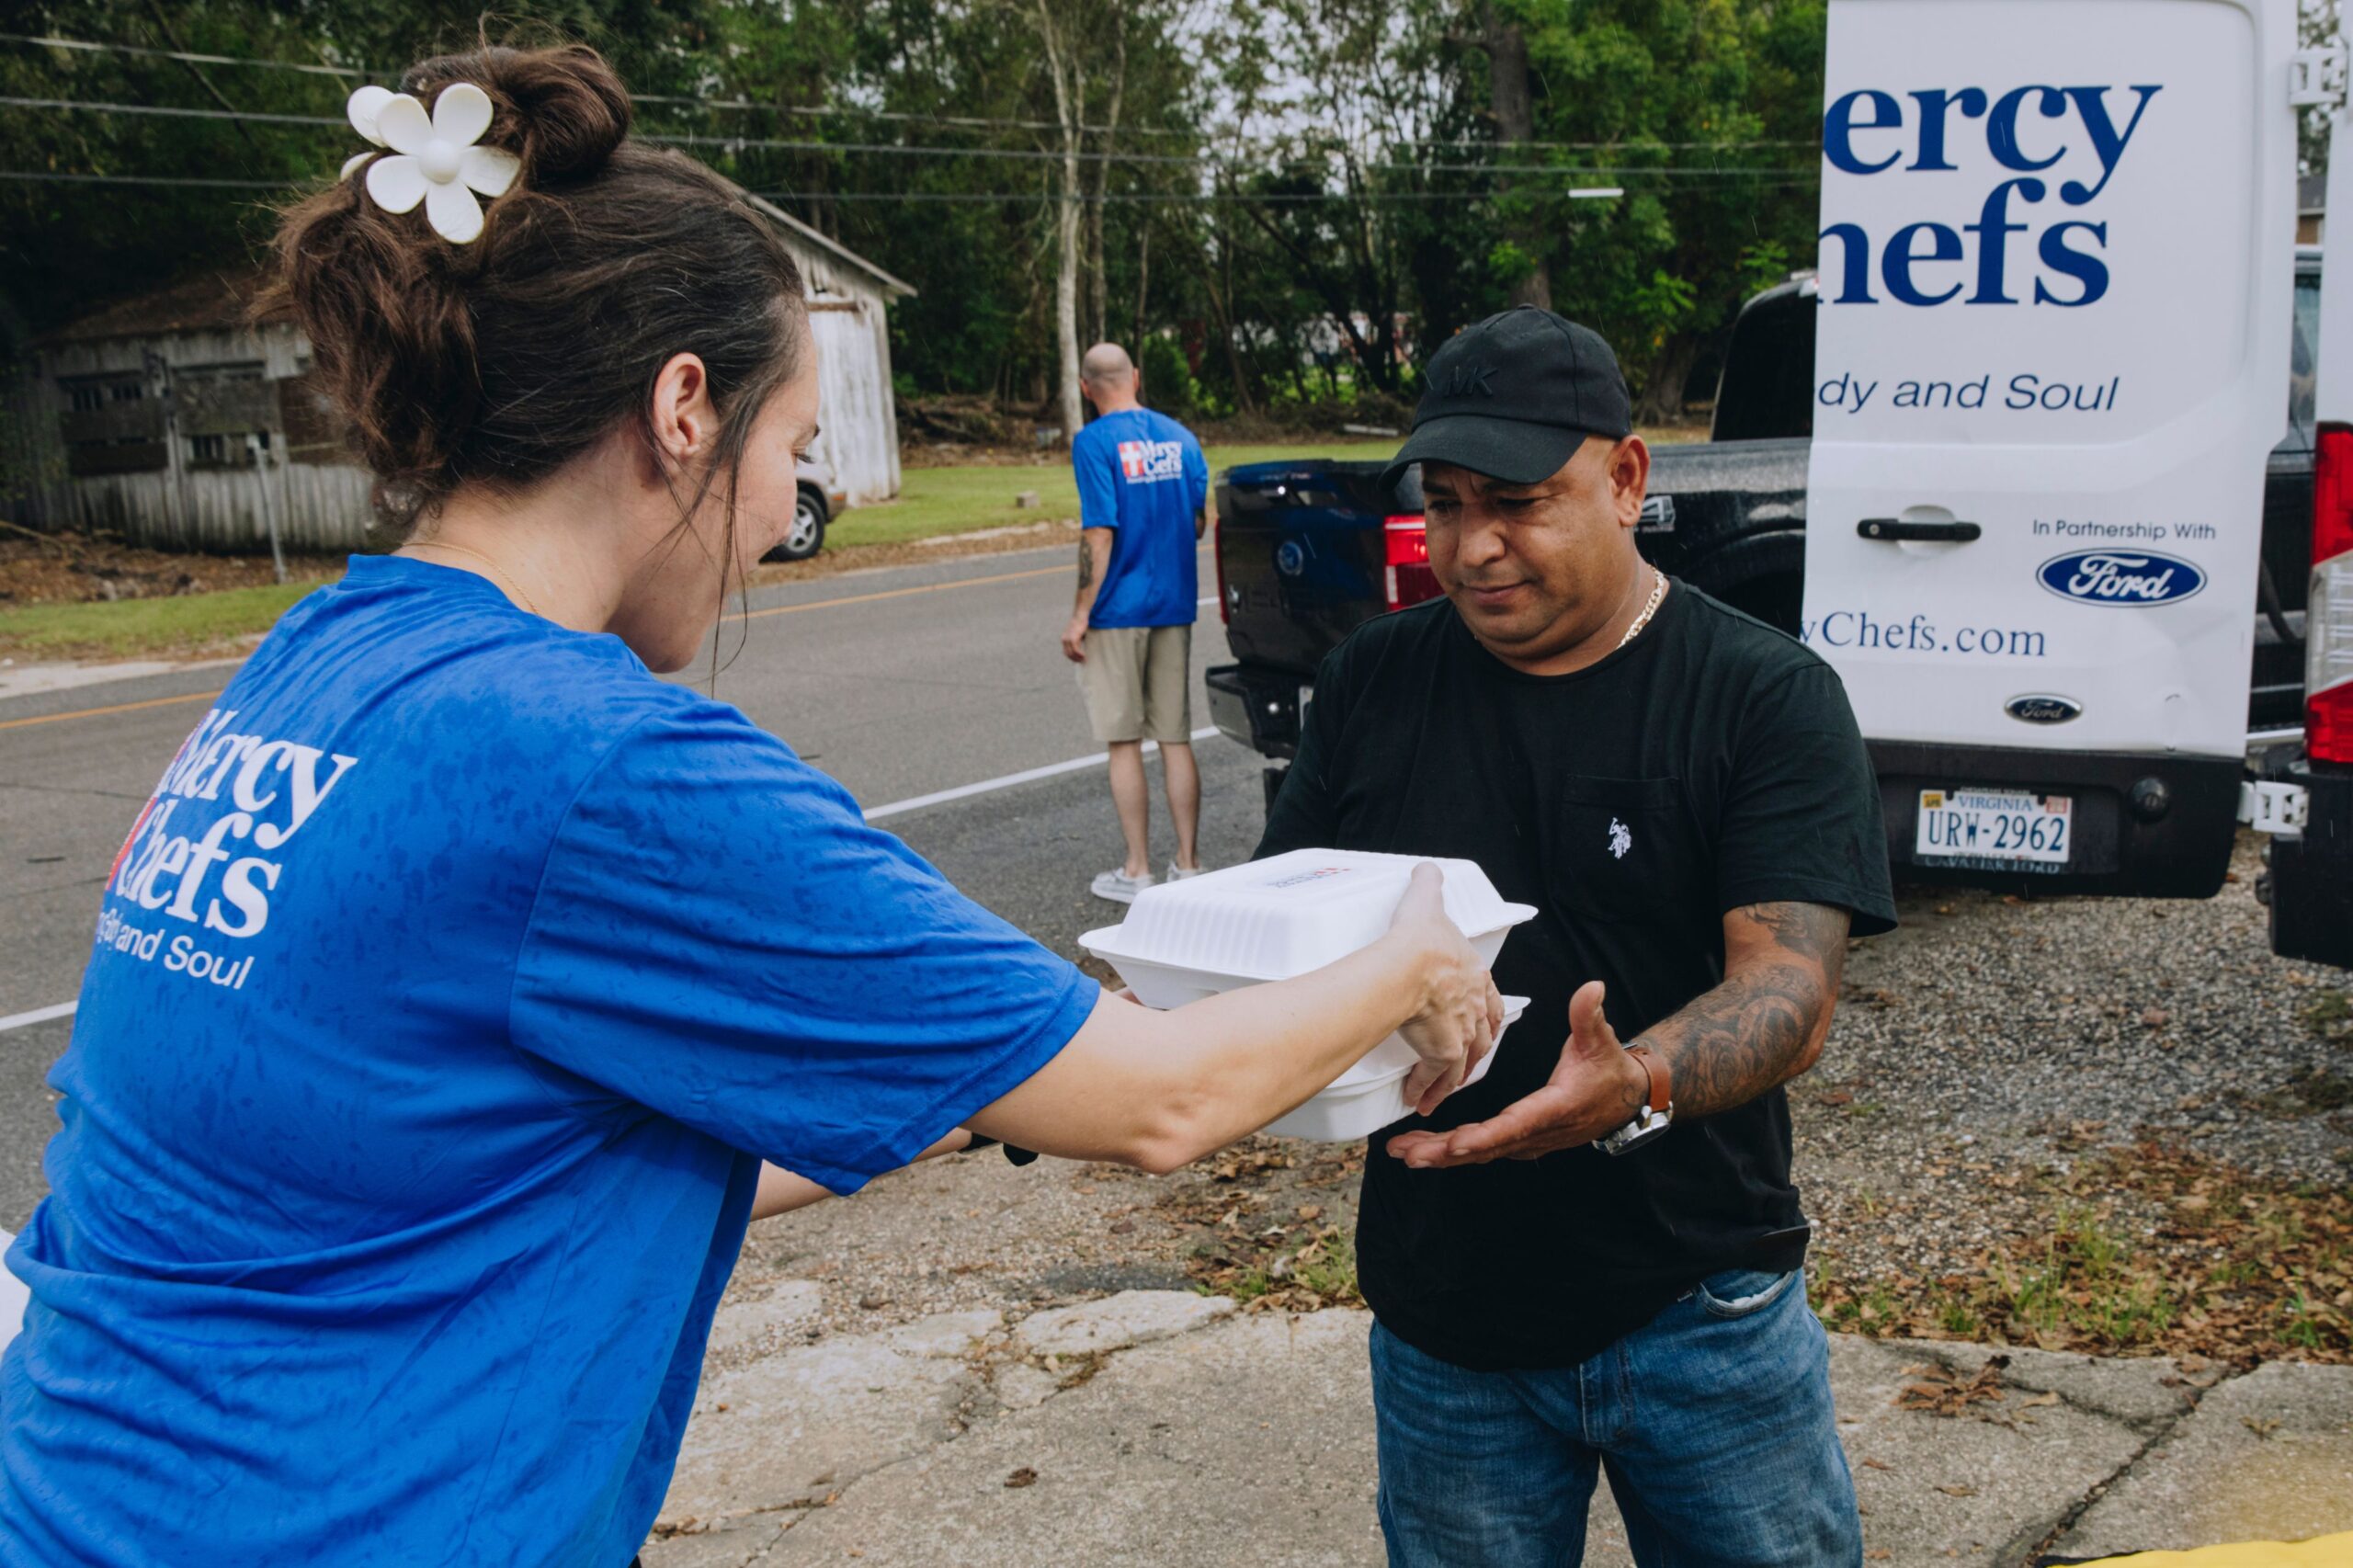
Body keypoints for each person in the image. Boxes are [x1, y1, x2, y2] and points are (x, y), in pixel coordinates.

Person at [0, 47, 1505, 1568]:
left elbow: (507, 1139)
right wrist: (1414, 960)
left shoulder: (312, 665)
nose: (774, 531)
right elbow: (1159, 1102)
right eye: (792, 461)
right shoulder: (600, 761)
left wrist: (965, 1083)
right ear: (680, 412)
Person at [1257, 305, 1897, 1567]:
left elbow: (1789, 990)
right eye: (1443, 503)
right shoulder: (1375, 683)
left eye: (1517, 500)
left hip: (1702, 1305)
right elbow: (1286, 934)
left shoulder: (1761, 693)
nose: (1474, 546)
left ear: (1625, 478)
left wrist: (1634, 1083)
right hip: (1447, 1321)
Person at [1060, 342, 1211, 903]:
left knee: (1124, 741)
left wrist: (1079, 615)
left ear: (1085, 387)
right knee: (1176, 737)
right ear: (1137, 378)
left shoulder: (1093, 443)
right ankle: (1189, 864)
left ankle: (1138, 869)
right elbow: (1198, 522)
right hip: (1173, 603)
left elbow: (1099, 532)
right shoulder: (1182, 438)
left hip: (1118, 609)